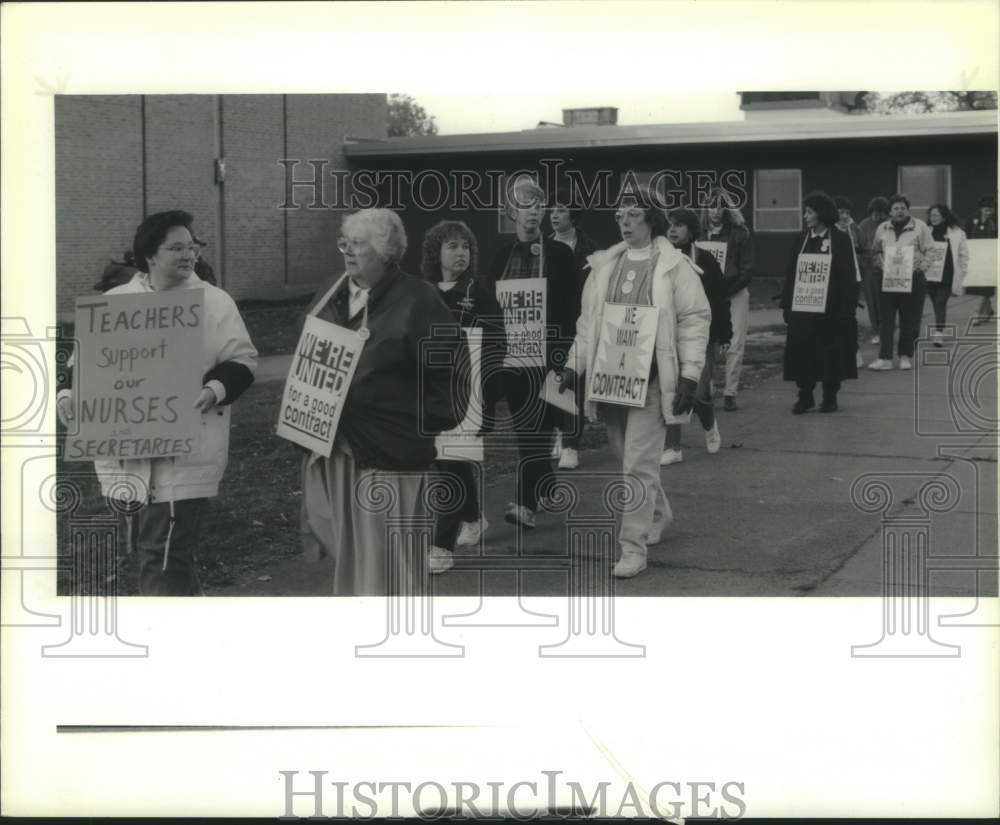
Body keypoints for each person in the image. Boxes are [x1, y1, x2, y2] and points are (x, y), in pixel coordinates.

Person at [56, 210, 258, 595]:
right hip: (123, 456)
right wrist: (67, 395)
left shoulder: (214, 303)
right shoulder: (116, 302)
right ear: (150, 255)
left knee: (159, 559)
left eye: (192, 246)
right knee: (162, 557)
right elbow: (80, 363)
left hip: (186, 454)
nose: (189, 254)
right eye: (177, 248)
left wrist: (213, 388)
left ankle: (161, 642)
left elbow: (243, 361)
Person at [298, 208, 469, 595]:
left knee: (388, 567)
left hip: (390, 452)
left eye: (358, 244)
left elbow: (452, 379)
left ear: (386, 251)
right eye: (344, 243)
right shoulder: (332, 291)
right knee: (351, 558)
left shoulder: (417, 300)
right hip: (335, 448)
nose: (347, 252)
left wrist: (406, 420)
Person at [559, 186, 711, 578]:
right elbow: (588, 323)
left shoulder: (674, 267)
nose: (625, 221)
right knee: (627, 456)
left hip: (653, 381)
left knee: (638, 465)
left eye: (633, 213)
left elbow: (695, 320)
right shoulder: (605, 265)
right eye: (619, 215)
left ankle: (633, 547)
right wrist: (573, 365)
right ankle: (658, 514)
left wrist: (691, 376)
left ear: (652, 219)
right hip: (612, 380)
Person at [485, 176, 580, 529]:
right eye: (525, 206)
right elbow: (489, 308)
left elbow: (572, 309)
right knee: (527, 431)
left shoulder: (559, 254)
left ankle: (524, 504)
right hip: (512, 359)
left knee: (536, 428)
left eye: (538, 205)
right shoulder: (501, 256)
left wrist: (566, 356)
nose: (533, 213)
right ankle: (546, 484)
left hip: (548, 357)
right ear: (512, 212)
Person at [420, 220, 507, 575]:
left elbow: (498, 342)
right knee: (446, 462)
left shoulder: (479, 293)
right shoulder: (423, 291)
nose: (460, 253)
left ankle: (442, 546)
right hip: (428, 395)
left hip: (467, 395)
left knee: (453, 464)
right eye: (452, 246)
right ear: (436, 252)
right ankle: (472, 519)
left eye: (465, 247)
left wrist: (484, 388)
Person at [660, 207, 732, 466]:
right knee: (671, 389)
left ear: (691, 230)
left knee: (699, 391)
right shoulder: (660, 259)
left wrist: (725, 334)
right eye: (669, 225)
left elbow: (720, 300)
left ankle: (710, 424)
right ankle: (673, 446)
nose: (672, 230)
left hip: (703, 336)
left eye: (678, 225)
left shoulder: (705, 260)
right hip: (668, 336)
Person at [780, 191, 858, 413]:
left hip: (830, 309)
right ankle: (805, 395)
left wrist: (846, 308)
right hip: (803, 308)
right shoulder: (800, 240)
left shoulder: (841, 240)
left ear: (821, 214)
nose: (805, 216)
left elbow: (849, 277)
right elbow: (790, 274)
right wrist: (787, 304)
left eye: (809, 212)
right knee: (802, 351)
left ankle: (829, 396)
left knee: (830, 351)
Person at [548, 186, 600, 470]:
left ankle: (571, 444)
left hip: (579, 321)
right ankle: (558, 432)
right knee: (553, 381)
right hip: (551, 322)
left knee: (574, 380)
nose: (555, 215)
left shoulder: (590, 249)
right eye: (552, 210)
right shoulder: (542, 245)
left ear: (574, 215)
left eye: (561, 210)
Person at [701, 187, 754, 412]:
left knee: (734, 342)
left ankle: (730, 391)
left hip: (734, 292)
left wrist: (727, 289)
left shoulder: (740, 232)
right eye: (711, 206)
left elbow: (747, 269)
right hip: (707, 295)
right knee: (706, 341)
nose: (715, 211)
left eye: (720, 206)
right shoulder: (699, 233)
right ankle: (707, 388)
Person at [868, 194, 934, 370]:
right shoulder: (882, 228)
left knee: (910, 320)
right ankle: (885, 358)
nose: (899, 211)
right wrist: (882, 265)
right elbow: (874, 252)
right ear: (889, 211)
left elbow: (931, 251)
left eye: (902, 208)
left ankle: (905, 356)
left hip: (913, 279)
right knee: (886, 319)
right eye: (895, 208)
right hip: (887, 279)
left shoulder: (920, 227)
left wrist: (921, 267)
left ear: (908, 210)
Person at [925, 203, 970, 346]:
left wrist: (962, 271)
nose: (933, 218)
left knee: (940, 302)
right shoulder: (926, 231)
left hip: (947, 274)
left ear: (944, 216)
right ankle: (940, 326)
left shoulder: (957, 233)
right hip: (930, 274)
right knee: (935, 303)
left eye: (936, 215)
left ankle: (938, 333)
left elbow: (963, 254)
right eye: (931, 215)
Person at [834, 195, 866, 368]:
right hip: (832, 280)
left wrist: (859, 255)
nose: (844, 216)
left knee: (849, 317)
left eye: (847, 212)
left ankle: (855, 352)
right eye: (840, 212)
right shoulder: (829, 228)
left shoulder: (855, 229)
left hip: (852, 279)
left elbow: (865, 248)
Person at [857, 196, 889, 344]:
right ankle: (875, 330)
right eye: (874, 212)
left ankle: (885, 330)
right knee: (871, 301)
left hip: (886, 268)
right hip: (868, 268)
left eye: (880, 212)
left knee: (884, 301)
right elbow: (858, 243)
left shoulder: (888, 224)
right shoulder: (863, 224)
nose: (876, 215)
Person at [964, 194, 998, 325]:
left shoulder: (996, 221)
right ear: (981, 209)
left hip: (991, 260)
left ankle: (977, 313)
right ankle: (988, 310)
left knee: (986, 287)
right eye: (985, 209)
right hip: (976, 258)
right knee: (979, 288)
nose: (988, 212)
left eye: (990, 209)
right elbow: (965, 235)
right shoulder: (972, 220)